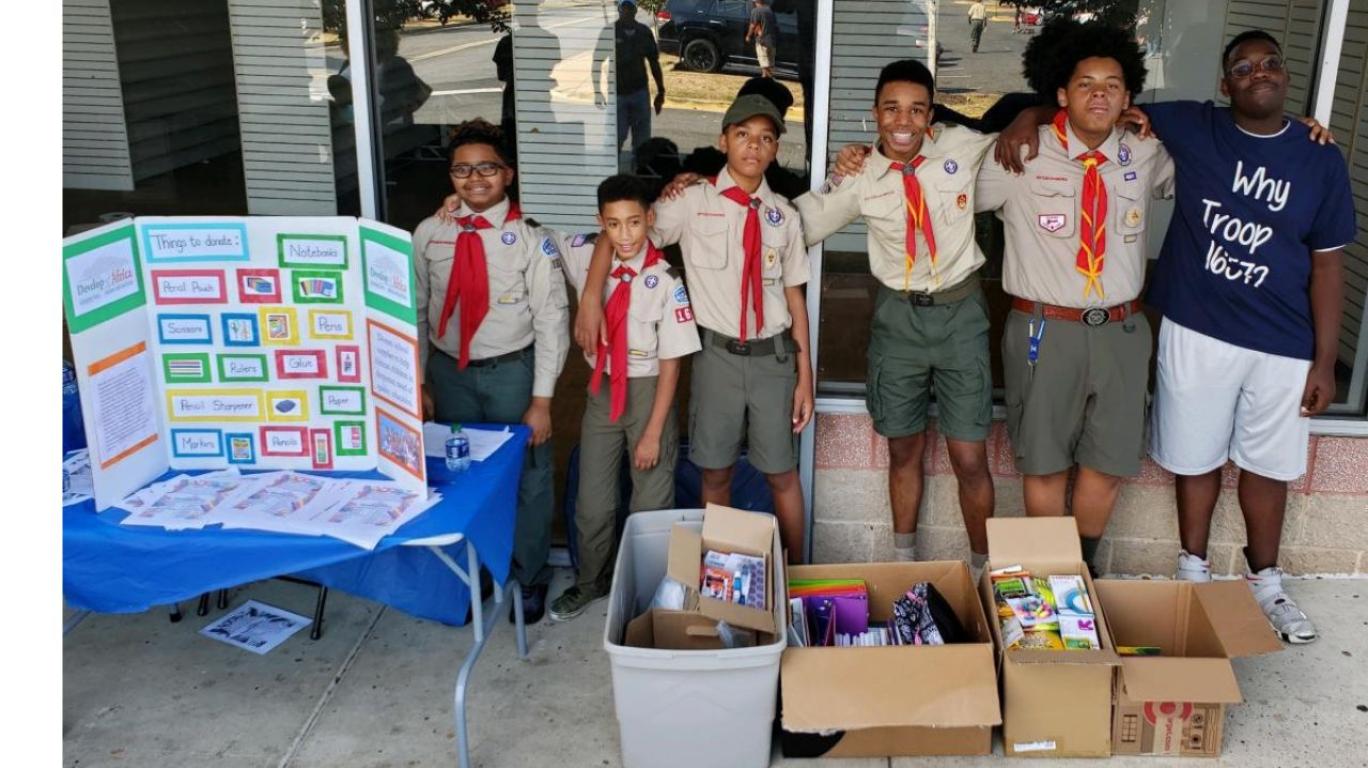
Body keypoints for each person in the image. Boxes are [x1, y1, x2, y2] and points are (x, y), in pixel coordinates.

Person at [1138, 32, 1352, 643]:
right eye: (1243, 67)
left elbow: (1328, 264)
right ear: (1225, 84)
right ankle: (1193, 573)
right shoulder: (1193, 126)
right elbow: (1099, 102)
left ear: (1285, 76)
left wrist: (1325, 360)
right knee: (1194, 454)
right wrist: (1027, 119)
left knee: (1268, 466)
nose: (1260, 72)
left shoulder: (1319, 158)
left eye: (1271, 63)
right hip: (1198, 326)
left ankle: (1266, 584)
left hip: (1285, 341)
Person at [973, 19, 1174, 575]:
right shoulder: (1021, 152)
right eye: (1086, 83)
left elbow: (1219, 160)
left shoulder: (1147, 153)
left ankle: (1083, 572)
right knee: (1044, 463)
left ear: (1129, 95)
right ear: (1061, 94)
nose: (1100, 94)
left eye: (1112, 84)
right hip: (1045, 328)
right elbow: (947, 186)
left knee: (1107, 463)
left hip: (1122, 330)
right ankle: (1050, 577)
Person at [577, 94, 814, 562]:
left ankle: (797, 573)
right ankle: (721, 576)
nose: (753, 146)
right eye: (743, 135)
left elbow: (794, 297)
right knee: (715, 471)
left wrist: (805, 376)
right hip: (715, 357)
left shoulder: (783, 216)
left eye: (766, 138)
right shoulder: (688, 201)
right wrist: (590, 296)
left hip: (774, 359)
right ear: (722, 140)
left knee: (782, 473)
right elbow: (623, 233)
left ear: (775, 151)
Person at [792, 60, 997, 569]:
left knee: (970, 455)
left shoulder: (960, 146)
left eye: (916, 109)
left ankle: (981, 570)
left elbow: (1025, 128)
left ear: (932, 115)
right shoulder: (860, 174)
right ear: (875, 114)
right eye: (891, 108)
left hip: (960, 315)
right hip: (898, 320)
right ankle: (902, 561)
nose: (903, 120)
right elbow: (793, 225)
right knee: (903, 449)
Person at [411, 119, 570, 624]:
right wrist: (418, 381)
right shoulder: (432, 231)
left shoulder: (530, 239)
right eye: (462, 169)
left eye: (486, 168)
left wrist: (542, 399)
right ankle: (473, 568)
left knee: (528, 475)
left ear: (508, 174)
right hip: (450, 375)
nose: (474, 178)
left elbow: (551, 321)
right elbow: (415, 310)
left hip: (512, 375)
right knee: (459, 474)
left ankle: (529, 575)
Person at [547, 175, 702, 622]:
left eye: (634, 223)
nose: (625, 235)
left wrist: (653, 431)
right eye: (613, 225)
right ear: (601, 224)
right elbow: (539, 234)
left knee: (650, 501)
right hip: (602, 389)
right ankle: (591, 581)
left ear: (649, 221)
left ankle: (648, 592)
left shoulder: (664, 280)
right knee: (593, 499)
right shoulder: (588, 253)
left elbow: (672, 363)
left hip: (648, 391)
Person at [601, 0, 667, 160]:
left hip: (640, 93)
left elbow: (654, 62)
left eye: (630, 8)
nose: (627, 11)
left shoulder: (644, 32)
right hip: (617, 93)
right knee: (616, 136)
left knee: (642, 141)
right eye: (624, 8)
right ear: (619, 10)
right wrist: (598, 91)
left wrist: (661, 91)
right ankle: (610, 171)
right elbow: (597, 61)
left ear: (635, 10)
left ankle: (637, 174)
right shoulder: (610, 31)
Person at [747, 0, 779, 78]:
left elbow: (753, 25)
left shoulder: (756, 10)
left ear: (755, 2)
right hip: (772, 41)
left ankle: (768, 80)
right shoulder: (770, 10)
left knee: (764, 64)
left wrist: (748, 36)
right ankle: (768, 81)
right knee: (770, 64)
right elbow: (775, 26)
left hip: (762, 41)